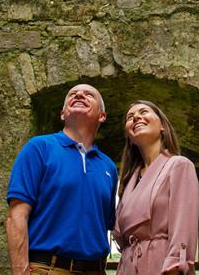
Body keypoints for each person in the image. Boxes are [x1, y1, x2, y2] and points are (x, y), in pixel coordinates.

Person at [6, 84, 118, 275]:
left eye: (89, 94)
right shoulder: (39, 148)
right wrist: (20, 271)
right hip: (48, 268)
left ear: (102, 115)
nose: (79, 94)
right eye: (72, 94)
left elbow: (111, 225)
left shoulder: (108, 166)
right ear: (63, 113)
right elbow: (17, 215)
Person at [113, 100, 199, 275]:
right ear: (129, 135)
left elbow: (184, 227)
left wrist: (175, 266)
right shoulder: (130, 180)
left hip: (161, 265)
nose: (136, 117)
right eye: (130, 117)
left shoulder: (179, 166)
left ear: (162, 126)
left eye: (144, 112)